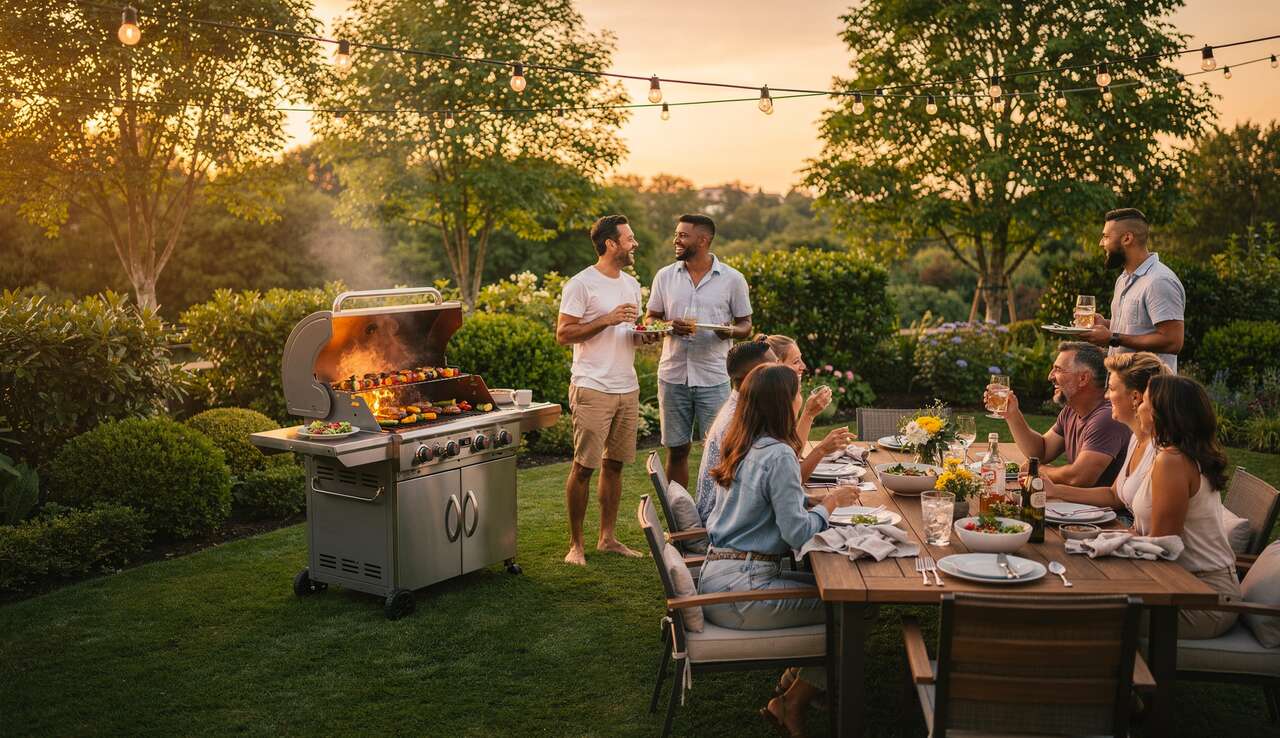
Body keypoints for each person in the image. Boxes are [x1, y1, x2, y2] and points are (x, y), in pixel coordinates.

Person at [697, 363, 858, 737]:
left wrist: (816, 499)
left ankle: (793, 679)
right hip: (742, 593)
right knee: (853, 611)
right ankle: (792, 701)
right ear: (782, 403)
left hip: (721, 577)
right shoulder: (780, 455)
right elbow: (797, 534)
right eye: (797, 393)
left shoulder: (742, 441)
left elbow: (765, 503)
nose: (801, 399)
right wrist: (830, 504)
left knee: (833, 593)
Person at [555, 214, 660, 567]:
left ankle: (608, 538)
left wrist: (647, 336)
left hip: (626, 386)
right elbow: (563, 334)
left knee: (614, 466)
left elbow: (629, 331)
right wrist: (606, 319)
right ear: (611, 244)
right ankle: (576, 545)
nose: (635, 244)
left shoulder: (631, 284)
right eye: (629, 239)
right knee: (584, 467)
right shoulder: (581, 284)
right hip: (592, 386)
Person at [646, 214, 753, 490]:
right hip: (673, 376)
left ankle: (717, 514)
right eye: (677, 234)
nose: (676, 240)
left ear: (703, 240)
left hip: (713, 376)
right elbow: (650, 319)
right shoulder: (665, 276)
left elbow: (746, 326)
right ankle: (679, 519)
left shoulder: (733, 279)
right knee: (677, 449)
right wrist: (669, 325)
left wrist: (728, 332)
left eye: (683, 235)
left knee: (719, 449)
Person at [1134, 374, 1241, 638]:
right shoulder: (1176, 455)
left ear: (1163, 413)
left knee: (1097, 614)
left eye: (1145, 401)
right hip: (1183, 586)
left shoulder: (1172, 461)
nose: (1139, 407)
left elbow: (1162, 547)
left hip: (1202, 599)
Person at [986, 341, 1131, 487]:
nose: (1050, 376)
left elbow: (1078, 477)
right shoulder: (1071, 411)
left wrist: (1037, 469)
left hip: (1104, 509)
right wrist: (1012, 414)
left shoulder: (1106, 418)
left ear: (1083, 378)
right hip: (1079, 507)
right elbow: (1041, 451)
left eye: (1058, 369)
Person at [1041, 352, 1169, 513]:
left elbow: (1164, 536)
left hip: (1132, 530)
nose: (1106, 396)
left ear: (1135, 398)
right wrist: (1055, 490)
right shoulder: (1136, 440)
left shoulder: (1164, 454)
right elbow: (1114, 496)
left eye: (1111, 389)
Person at [1082, 208, 1186, 373]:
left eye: (1106, 236)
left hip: (1150, 390)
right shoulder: (1123, 279)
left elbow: (1172, 341)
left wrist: (1112, 338)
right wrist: (1106, 326)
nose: (1101, 243)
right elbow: (1139, 328)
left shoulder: (1159, 281)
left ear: (1127, 238)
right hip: (1122, 387)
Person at [693, 339, 776, 525]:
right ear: (750, 377)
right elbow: (768, 479)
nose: (781, 373)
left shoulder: (744, 407)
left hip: (730, 511)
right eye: (773, 369)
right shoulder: (737, 420)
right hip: (723, 520)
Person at [758, 333, 851, 481]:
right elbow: (790, 478)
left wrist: (809, 414)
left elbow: (792, 456)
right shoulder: (767, 411)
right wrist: (822, 449)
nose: (803, 366)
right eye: (796, 361)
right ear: (776, 366)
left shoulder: (775, 400)